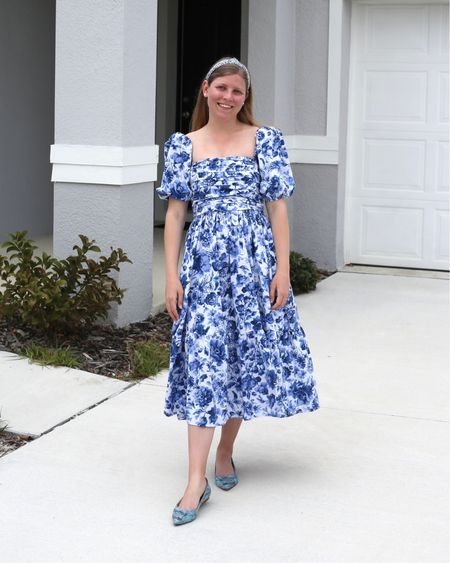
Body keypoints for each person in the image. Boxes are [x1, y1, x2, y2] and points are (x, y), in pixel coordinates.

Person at [156, 56, 320, 526]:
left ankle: (225, 449)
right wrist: (171, 277)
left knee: (244, 358)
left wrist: (283, 271)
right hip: (203, 269)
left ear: (245, 100)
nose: (229, 97)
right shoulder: (182, 146)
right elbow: (174, 215)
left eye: (238, 92)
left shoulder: (264, 140)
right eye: (222, 88)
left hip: (254, 264)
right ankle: (195, 480)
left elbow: (278, 209)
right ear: (205, 89)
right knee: (206, 362)